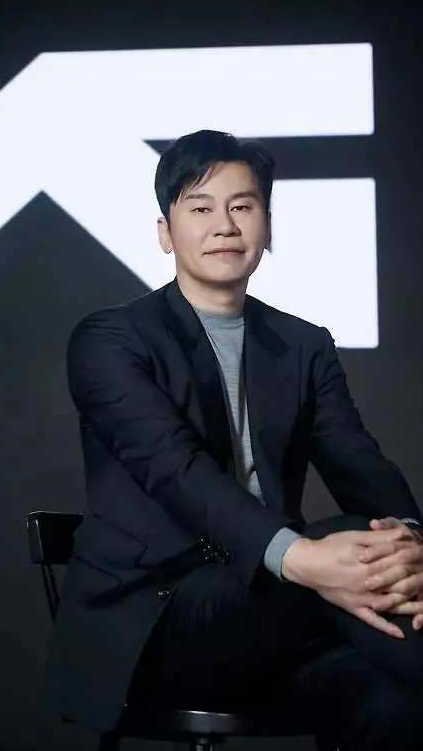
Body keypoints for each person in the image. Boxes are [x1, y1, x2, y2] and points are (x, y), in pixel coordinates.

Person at [44, 130, 423, 749]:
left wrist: (410, 544)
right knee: (344, 542)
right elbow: (178, 472)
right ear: (166, 232)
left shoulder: (303, 344)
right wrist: (305, 559)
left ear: (267, 227)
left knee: (394, 704)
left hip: (280, 618)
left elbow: (358, 461)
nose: (224, 224)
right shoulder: (110, 340)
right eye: (200, 208)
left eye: (242, 206)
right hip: (157, 622)